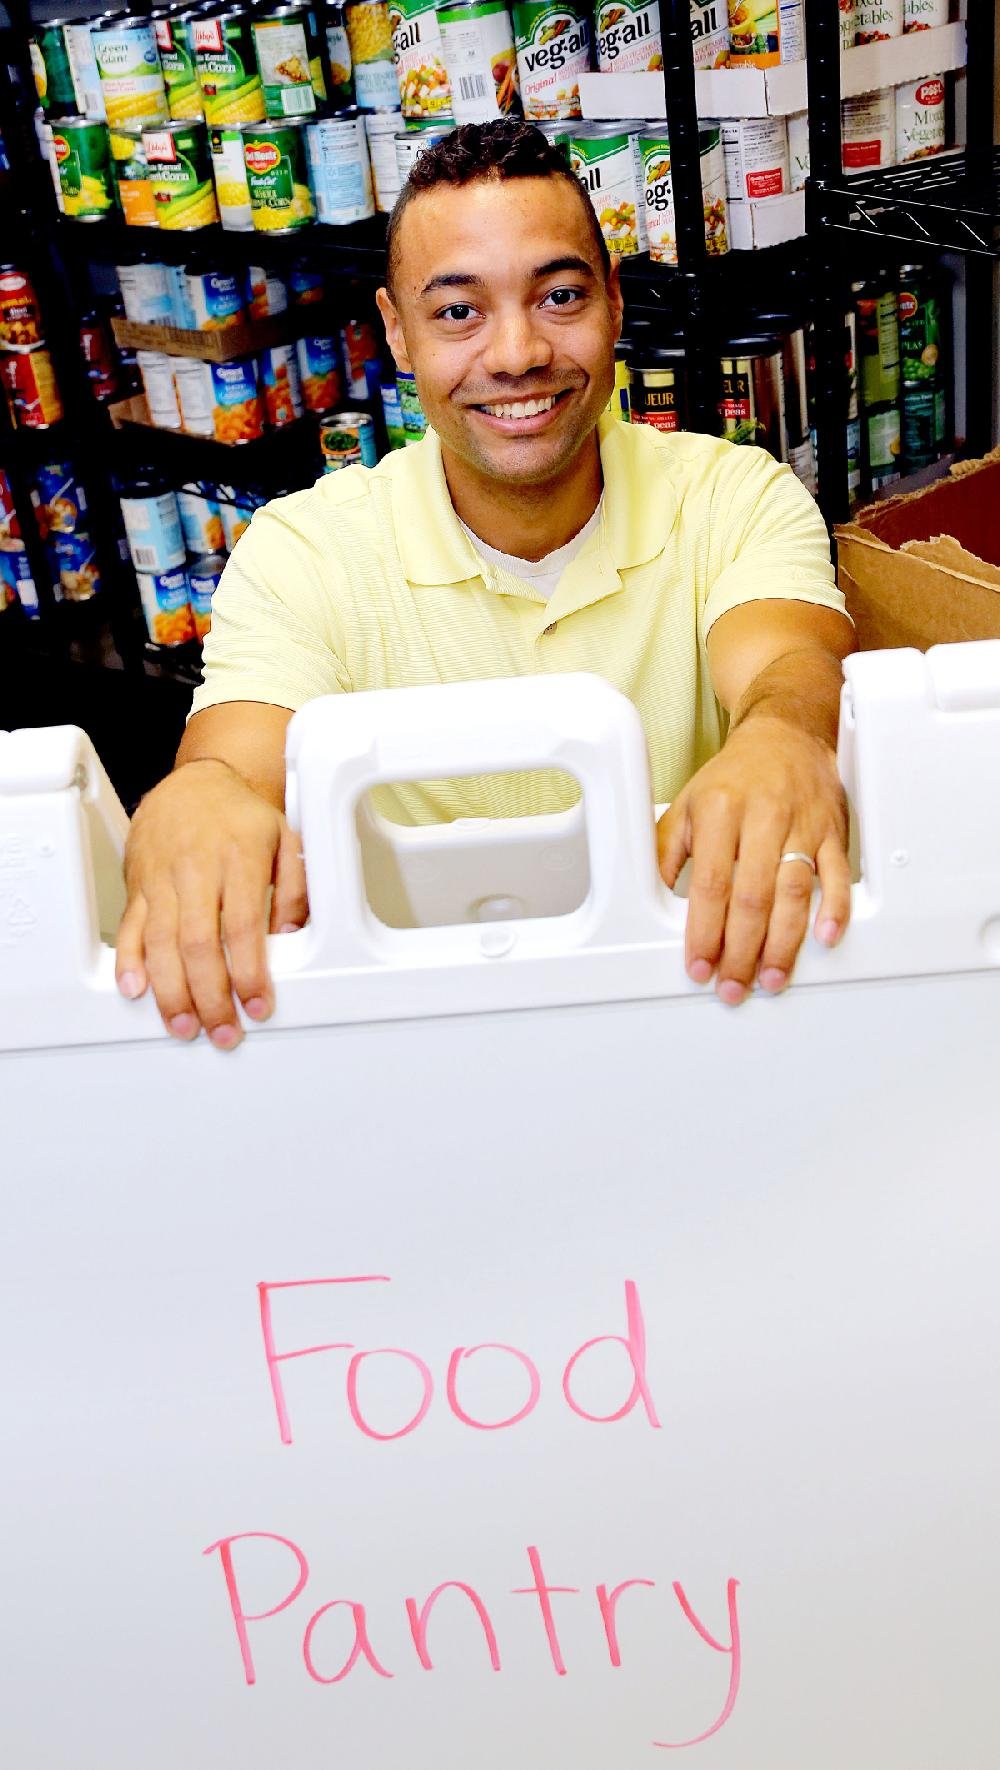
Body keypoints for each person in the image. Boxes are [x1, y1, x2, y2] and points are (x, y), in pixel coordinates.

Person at [116, 120, 854, 1051]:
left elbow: (788, 666)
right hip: (414, 1044)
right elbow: (234, 763)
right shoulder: (304, 549)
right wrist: (199, 802)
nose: (516, 355)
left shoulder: (734, 497)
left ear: (614, 303)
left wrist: (783, 737)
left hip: (695, 1006)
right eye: (458, 312)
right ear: (397, 332)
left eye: (559, 295)